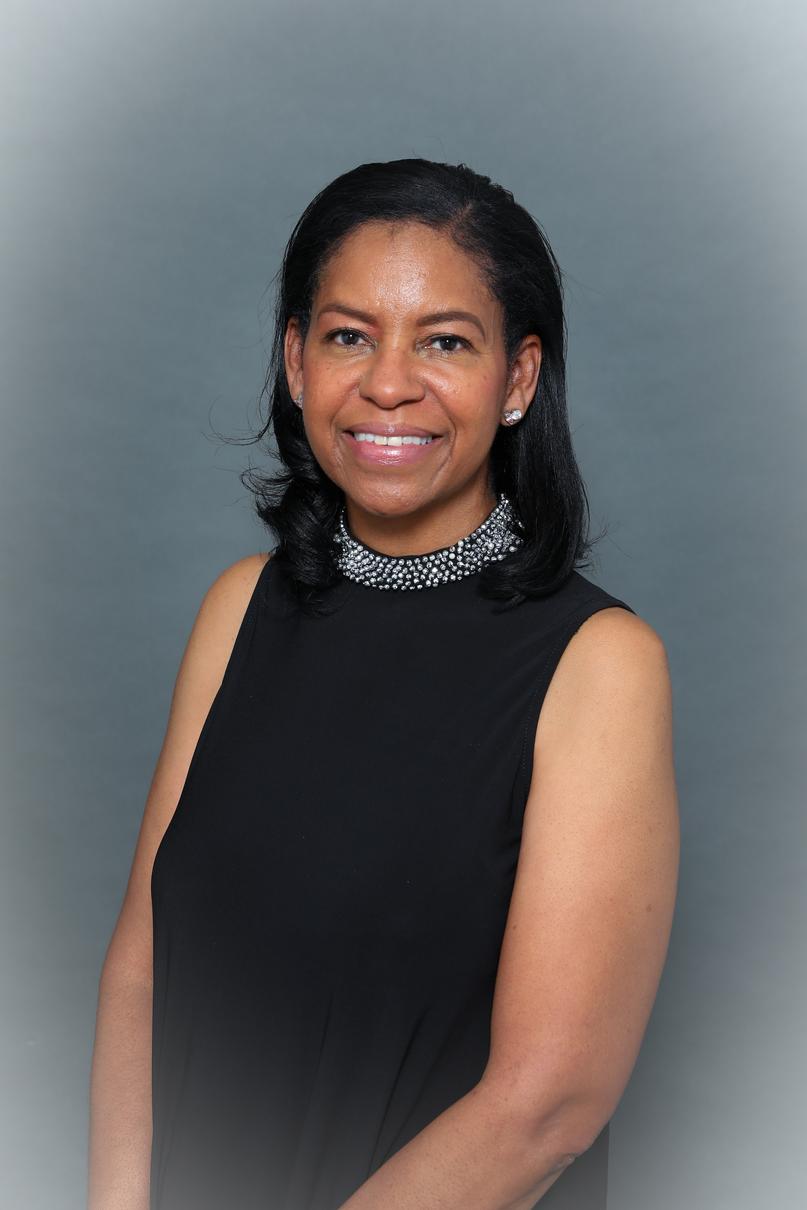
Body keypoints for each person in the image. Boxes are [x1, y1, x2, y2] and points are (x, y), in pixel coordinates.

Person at [88, 158, 679, 1210]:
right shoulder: (238, 608)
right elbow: (144, 961)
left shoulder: (599, 662)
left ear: (519, 379)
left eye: (445, 341)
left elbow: (548, 1107)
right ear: (296, 362)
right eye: (349, 336)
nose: (389, 384)